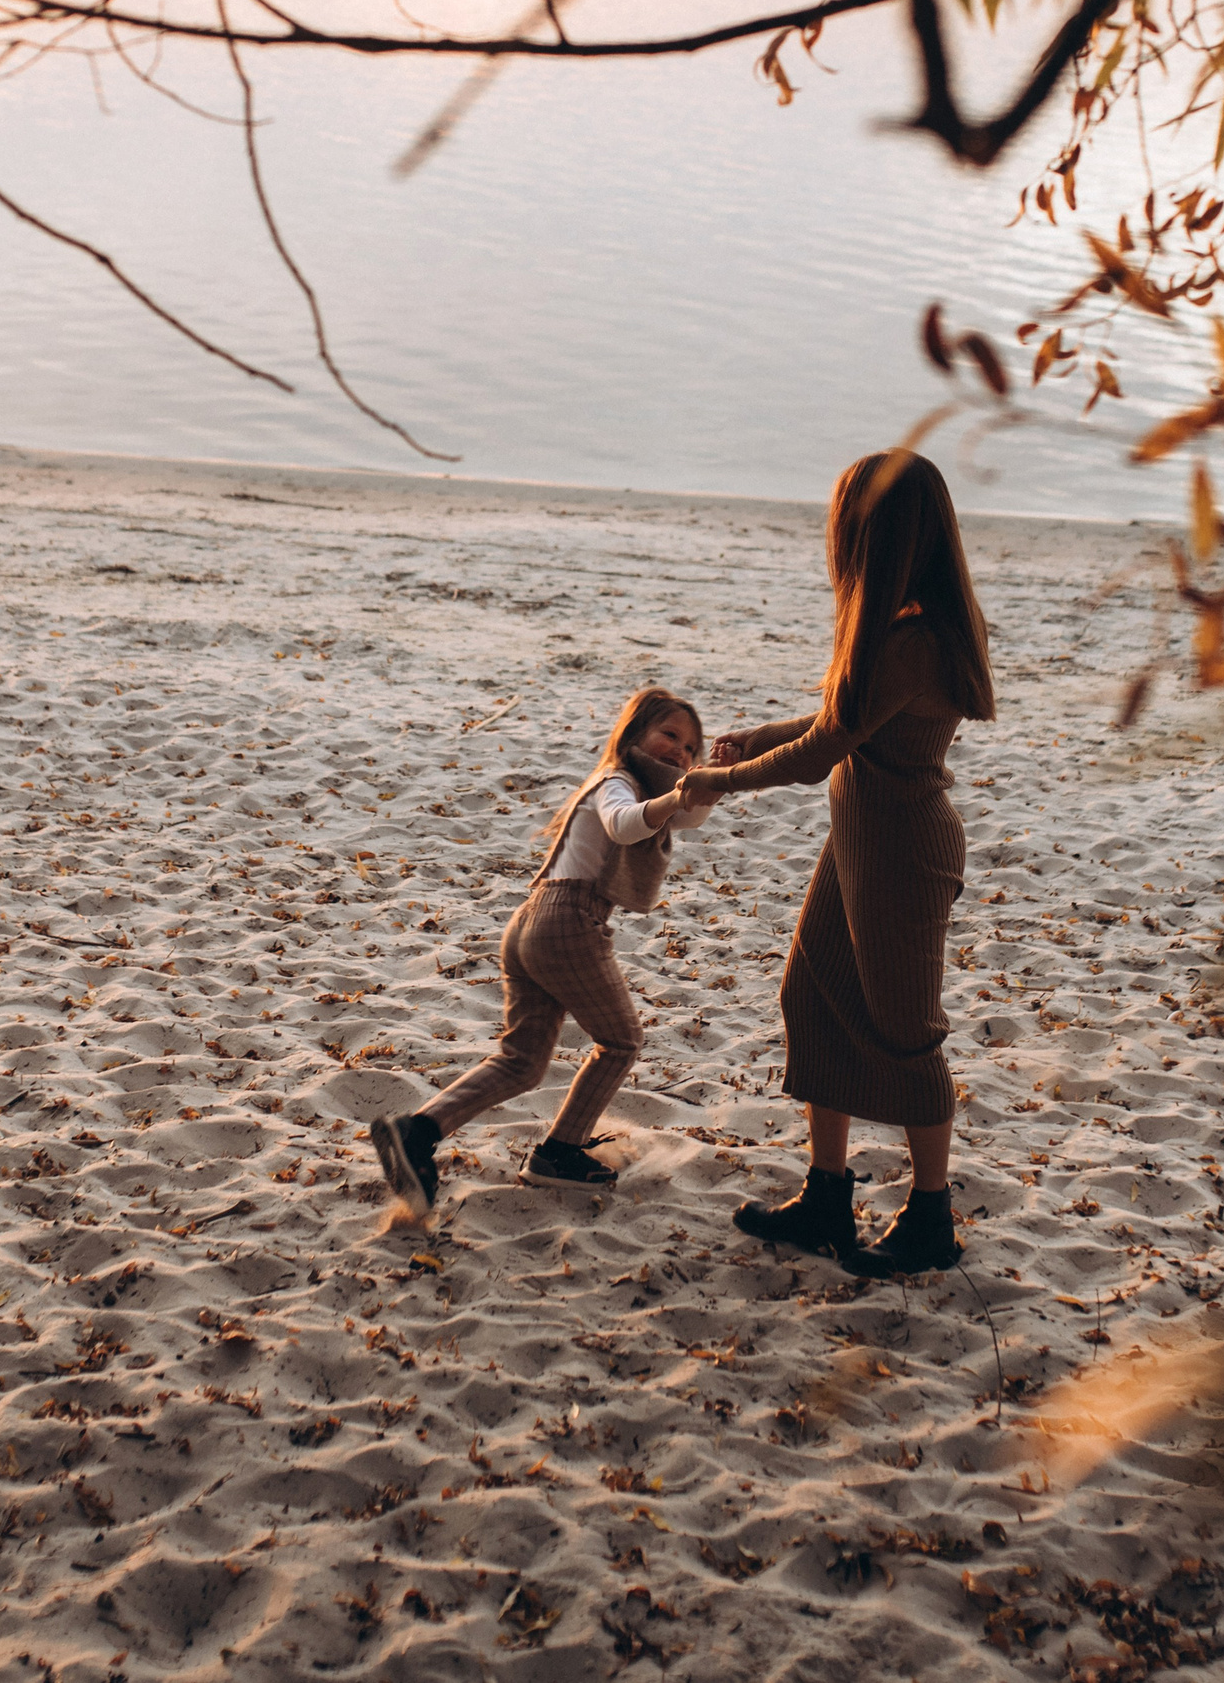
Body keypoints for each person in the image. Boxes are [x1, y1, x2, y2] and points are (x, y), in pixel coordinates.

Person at [677, 451, 995, 1278]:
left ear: (875, 536)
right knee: (813, 994)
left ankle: (930, 1219)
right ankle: (826, 1197)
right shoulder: (903, 623)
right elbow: (838, 721)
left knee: (905, 1035)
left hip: (901, 853)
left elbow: (823, 753)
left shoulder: (913, 639)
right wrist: (758, 736)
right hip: (862, 840)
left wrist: (719, 778)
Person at [370, 688, 712, 1213]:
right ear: (633, 734)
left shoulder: (645, 791)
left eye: (691, 749)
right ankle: (559, 1153)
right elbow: (628, 822)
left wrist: (719, 778)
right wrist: (682, 793)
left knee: (522, 1060)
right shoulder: (616, 783)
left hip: (532, 922)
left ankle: (416, 1131)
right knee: (620, 1043)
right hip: (569, 922)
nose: (681, 753)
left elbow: (688, 816)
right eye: (670, 735)